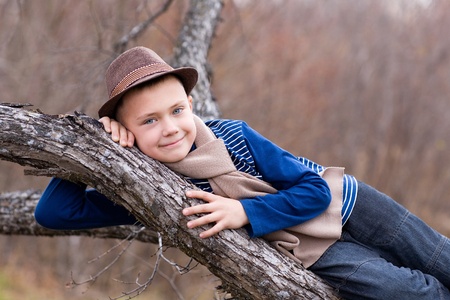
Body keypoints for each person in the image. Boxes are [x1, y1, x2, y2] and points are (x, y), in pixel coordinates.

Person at [35, 46, 450, 299]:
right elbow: (54, 213)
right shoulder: (147, 184)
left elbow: (314, 190)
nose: (170, 128)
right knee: (395, 290)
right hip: (307, 248)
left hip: (349, 204)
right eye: (149, 121)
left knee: (435, 256)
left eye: (177, 111)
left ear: (191, 105)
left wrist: (245, 213)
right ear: (127, 129)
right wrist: (94, 144)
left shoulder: (234, 136)